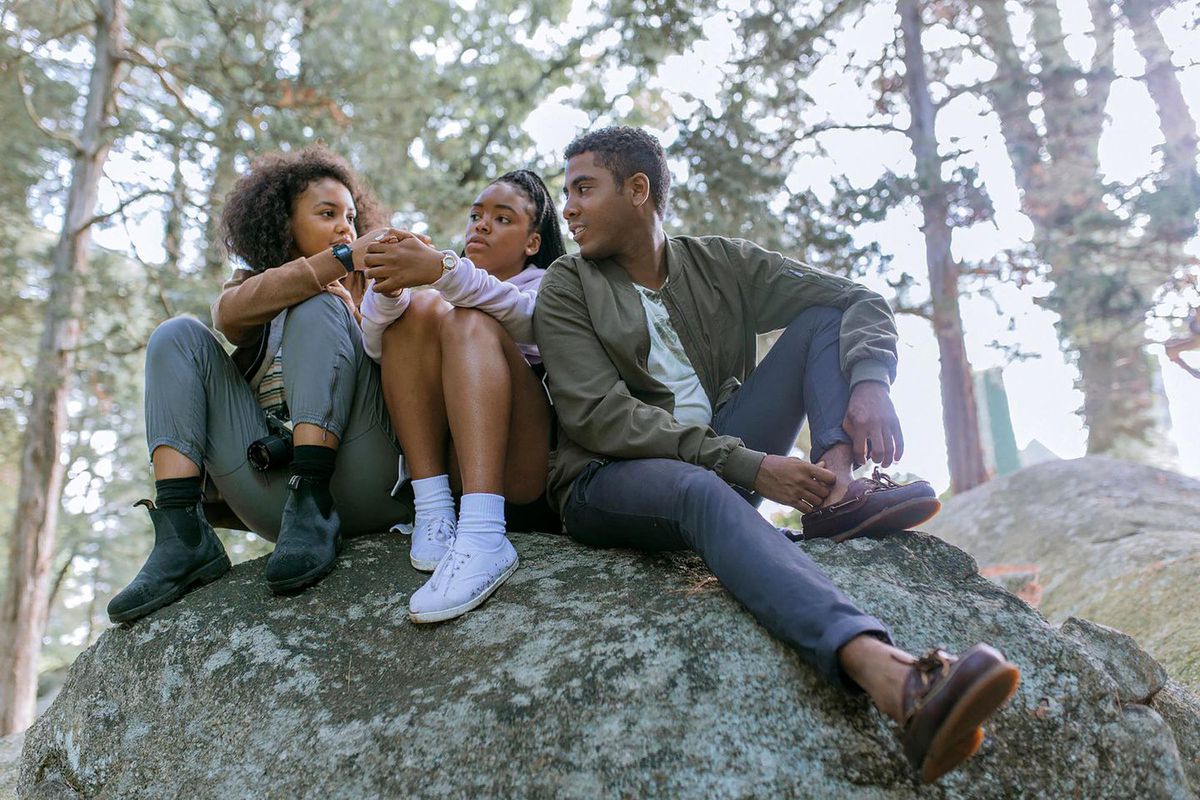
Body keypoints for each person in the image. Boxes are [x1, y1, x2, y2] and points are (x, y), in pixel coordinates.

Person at [532, 126, 1020, 783]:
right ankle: (888, 675)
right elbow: (598, 417)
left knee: (820, 321)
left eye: (583, 189)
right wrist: (752, 466)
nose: (569, 208)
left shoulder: (719, 265)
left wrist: (871, 380)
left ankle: (836, 490)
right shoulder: (568, 283)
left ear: (639, 190)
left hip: (721, 451)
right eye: (567, 194)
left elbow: (855, 299)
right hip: (605, 481)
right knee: (695, 489)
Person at [107, 146, 412, 623]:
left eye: (351, 217)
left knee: (319, 304)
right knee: (176, 335)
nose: (346, 228)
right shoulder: (251, 288)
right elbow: (227, 318)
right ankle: (182, 535)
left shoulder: (374, 284)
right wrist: (334, 261)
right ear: (283, 223)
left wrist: (350, 283)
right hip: (276, 505)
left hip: (366, 474)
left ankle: (315, 495)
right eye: (327, 214)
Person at [358, 170, 564, 623]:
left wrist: (444, 270)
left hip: (521, 471)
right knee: (422, 308)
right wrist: (390, 292)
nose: (481, 225)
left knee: (469, 319)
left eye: (502, 218)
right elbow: (375, 347)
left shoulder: (551, 282)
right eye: (476, 215)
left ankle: (485, 534)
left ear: (532, 242)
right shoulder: (438, 291)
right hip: (451, 472)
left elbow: (533, 323)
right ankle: (431, 511)